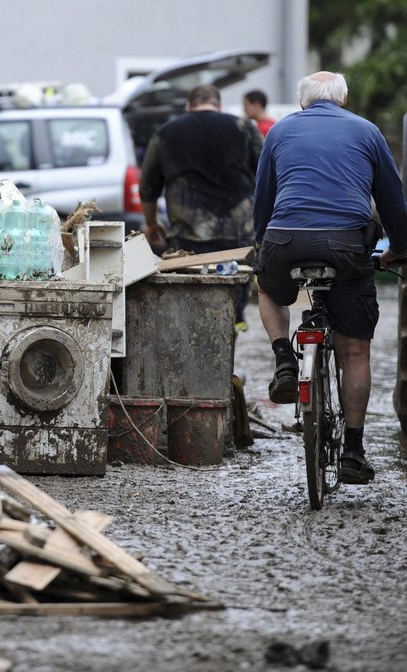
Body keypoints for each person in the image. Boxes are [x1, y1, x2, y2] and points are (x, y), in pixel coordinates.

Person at [253, 71, 407, 485]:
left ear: (303, 102)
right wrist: (398, 249)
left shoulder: (280, 131)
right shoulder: (367, 130)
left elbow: (263, 200)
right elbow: (393, 201)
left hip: (284, 240)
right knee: (355, 352)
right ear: (343, 98)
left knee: (267, 287)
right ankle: (354, 451)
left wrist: (262, 246)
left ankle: (285, 360)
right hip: (347, 243)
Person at [140, 83, 264, 326]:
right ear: (218, 105)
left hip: (189, 236)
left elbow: (148, 185)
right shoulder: (245, 128)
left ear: (189, 105)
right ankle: (231, 335)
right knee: (234, 296)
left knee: (191, 297)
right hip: (238, 234)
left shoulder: (167, 132)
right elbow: (266, 175)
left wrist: (152, 223)